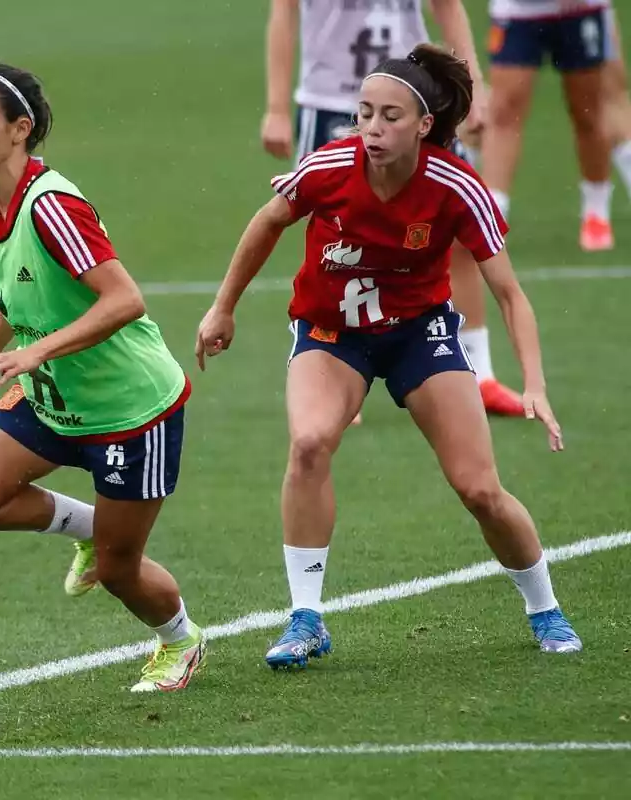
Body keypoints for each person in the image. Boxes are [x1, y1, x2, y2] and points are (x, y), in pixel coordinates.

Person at [199, 44, 582, 669]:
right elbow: (267, 222)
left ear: (425, 125)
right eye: (364, 113)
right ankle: (304, 618)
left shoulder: (455, 186)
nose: (371, 129)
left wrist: (532, 382)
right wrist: (223, 308)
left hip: (418, 335)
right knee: (309, 444)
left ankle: (546, 610)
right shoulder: (328, 166)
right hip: (332, 333)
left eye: (390, 117)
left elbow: (509, 294)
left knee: (480, 489)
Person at [0, 63, 205, 692]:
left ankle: (179, 640)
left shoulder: (51, 205)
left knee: (119, 570)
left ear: (19, 130)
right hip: (56, 397)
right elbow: (15, 293)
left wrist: (31, 356)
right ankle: (86, 528)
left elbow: (124, 301)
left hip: (130, 410)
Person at [262, 0, 524, 419]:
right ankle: (332, 361)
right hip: (331, 98)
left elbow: (449, 8)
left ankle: (481, 371)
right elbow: (284, 11)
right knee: (331, 231)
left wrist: (470, 87)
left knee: (459, 233)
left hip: (416, 102)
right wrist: (276, 107)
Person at [482, 0, 615, 251]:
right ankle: (493, 214)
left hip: (578, 9)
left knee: (586, 112)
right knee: (504, 110)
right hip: (518, 11)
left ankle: (596, 210)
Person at [600, 5, 631, 201]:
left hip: (586, 8)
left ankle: (596, 215)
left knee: (612, 91)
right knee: (504, 107)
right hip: (519, 10)